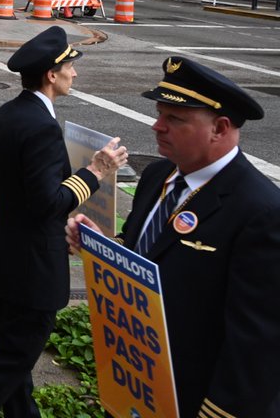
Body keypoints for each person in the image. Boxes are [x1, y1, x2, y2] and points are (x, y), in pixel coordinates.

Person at [68, 57, 280, 418]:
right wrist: (103, 246)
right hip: (136, 383)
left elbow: (257, 344)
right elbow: (151, 253)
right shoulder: (160, 175)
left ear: (220, 128)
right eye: (159, 114)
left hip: (194, 397)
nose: (157, 126)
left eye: (174, 119)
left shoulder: (260, 211)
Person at [0, 26, 126, 418]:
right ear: (51, 74)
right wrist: (96, 171)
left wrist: (23, 212)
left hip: (6, 262)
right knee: (10, 364)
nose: (74, 74)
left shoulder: (6, 114)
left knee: (16, 370)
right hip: (34, 271)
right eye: (70, 67)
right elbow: (50, 202)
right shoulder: (42, 126)